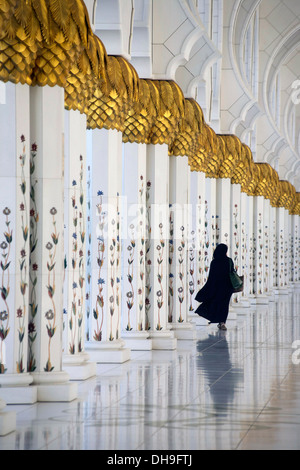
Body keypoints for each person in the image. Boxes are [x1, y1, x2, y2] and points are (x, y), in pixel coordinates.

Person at [195, 243, 234, 330]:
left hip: (217, 287)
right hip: (227, 288)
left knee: (216, 303)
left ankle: (217, 320)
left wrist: (208, 288)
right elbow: (232, 272)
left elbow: (212, 277)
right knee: (224, 305)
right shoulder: (229, 261)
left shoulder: (214, 262)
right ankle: (222, 322)